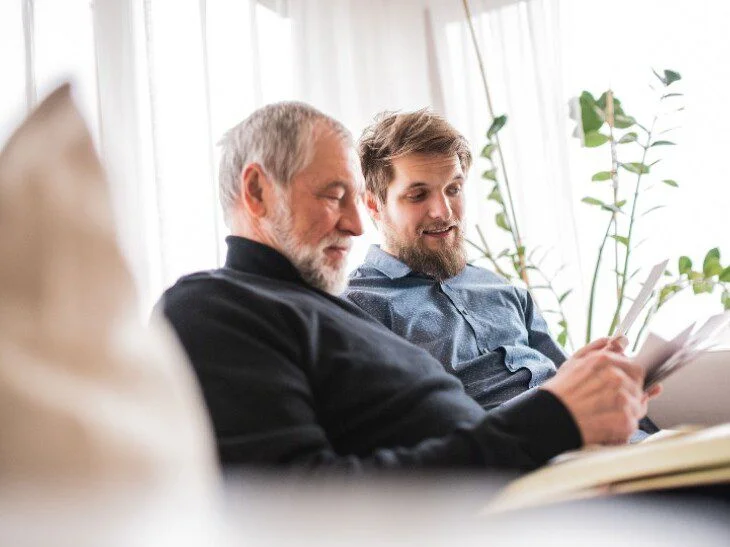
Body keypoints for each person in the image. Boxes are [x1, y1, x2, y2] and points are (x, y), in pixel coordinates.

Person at [158, 101, 656, 472]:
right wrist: (554, 421)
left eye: (354, 198)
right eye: (335, 197)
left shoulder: (332, 313)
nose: (356, 226)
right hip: (532, 490)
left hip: (563, 469)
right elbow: (300, 502)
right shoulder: (215, 307)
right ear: (257, 191)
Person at [343, 108, 659, 435]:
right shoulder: (359, 308)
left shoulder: (499, 288)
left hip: (606, 440)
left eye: (453, 189)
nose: (443, 211)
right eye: (418, 195)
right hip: (522, 457)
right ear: (373, 205)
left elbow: (565, 376)